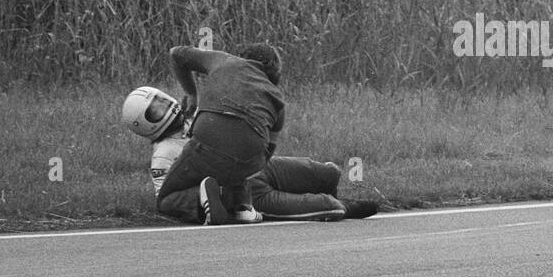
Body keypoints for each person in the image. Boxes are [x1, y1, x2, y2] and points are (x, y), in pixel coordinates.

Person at [121, 85, 379, 223]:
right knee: (327, 206)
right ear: (144, 125)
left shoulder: (196, 116)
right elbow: (166, 199)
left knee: (326, 172)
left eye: (163, 100)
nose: (166, 107)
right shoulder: (163, 154)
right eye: (155, 110)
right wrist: (212, 200)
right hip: (243, 188)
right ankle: (342, 207)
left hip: (260, 165)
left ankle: (333, 196)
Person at [158, 43, 286, 223]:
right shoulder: (277, 98)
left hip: (209, 143)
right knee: (236, 170)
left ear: (241, 56)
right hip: (250, 158)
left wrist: (192, 94)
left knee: (166, 199)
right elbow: (268, 153)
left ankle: (202, 198)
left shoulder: (224, 60)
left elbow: (175, 54)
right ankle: (239, 204)